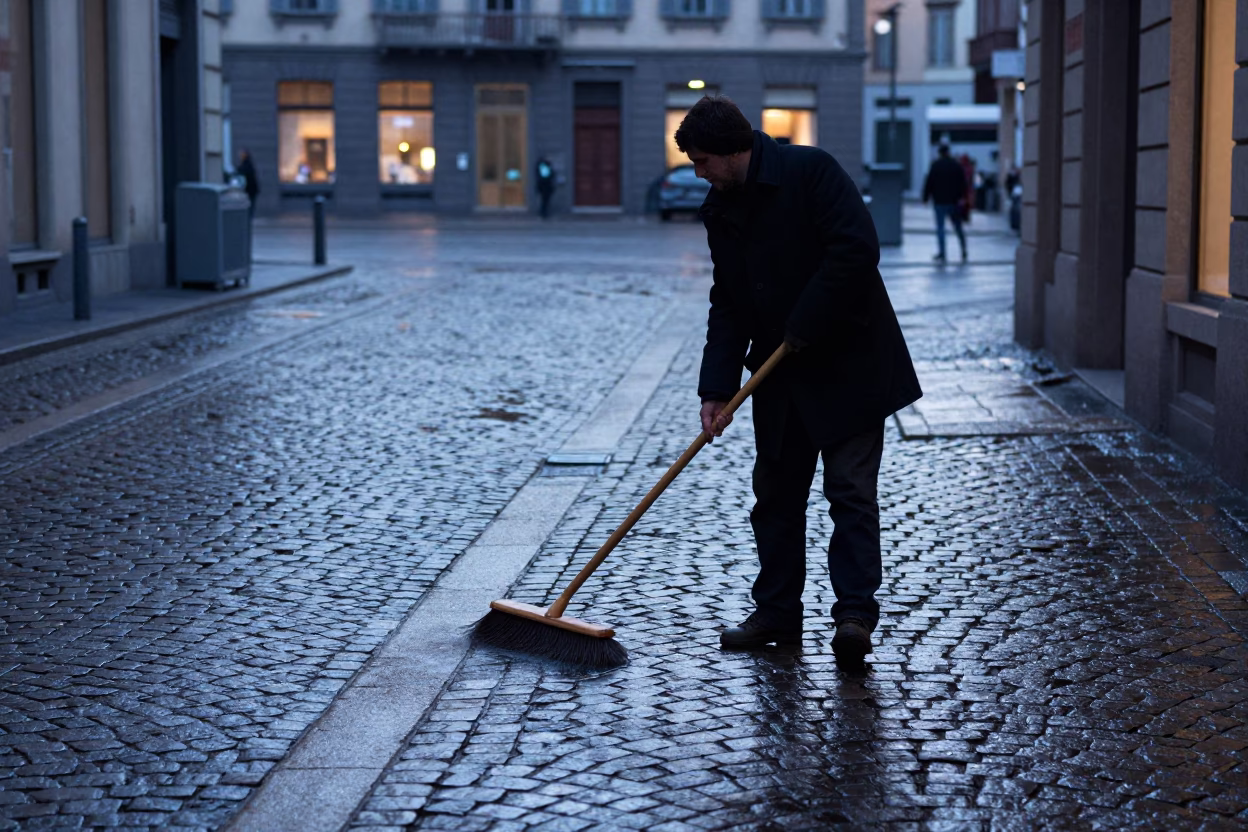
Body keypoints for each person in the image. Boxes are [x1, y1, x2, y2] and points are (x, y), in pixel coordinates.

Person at [677, 95, 922, 663]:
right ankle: (778, 612)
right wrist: (715, 389)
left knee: (850, 496)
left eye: (704, 161)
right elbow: (729, 301)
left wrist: (803, 324)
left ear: (736, 151)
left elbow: (856, 252)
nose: (700, 174)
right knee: (775, 498)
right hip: (780, 376)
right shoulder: (722, 206)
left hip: (849, 366)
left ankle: (855, 617)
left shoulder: (812, 172)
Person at [922, 144, 968, 263]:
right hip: (953, 201)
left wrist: (925, 197)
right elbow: (963, 182)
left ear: (940, 153)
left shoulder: (935, 165)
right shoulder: (956, 165)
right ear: (948, 152)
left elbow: (929, 182)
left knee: (941, 228)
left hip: (939, 201)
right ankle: (963, 250)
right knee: (958, 227)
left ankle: (943, 253)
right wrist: (962, 197)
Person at [236, 148, 260, 221]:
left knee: (249, 205)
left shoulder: (246, 165)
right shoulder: (248, 164)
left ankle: (248, 219)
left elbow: (243, 172)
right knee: (250, 205)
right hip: (251, 189)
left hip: (249, 189)